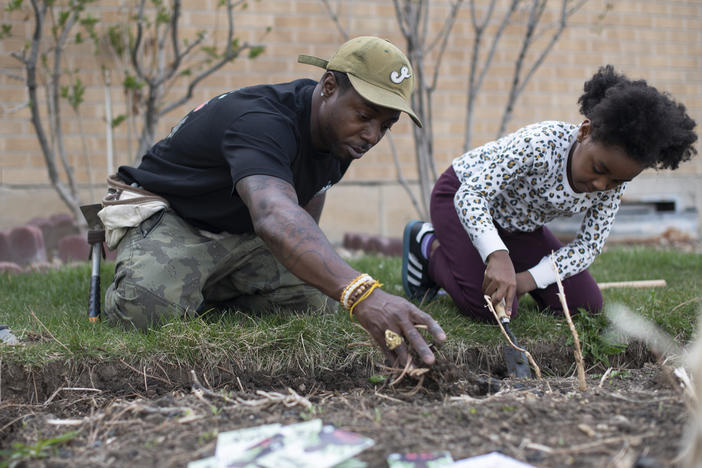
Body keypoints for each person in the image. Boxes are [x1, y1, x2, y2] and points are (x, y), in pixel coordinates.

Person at [103, 36, 446, 366]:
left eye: (386, 125)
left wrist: (324, 277)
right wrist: (362, 293)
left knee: (320, 300)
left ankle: (204, 287)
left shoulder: (338, 135)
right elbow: (273, 216)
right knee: (145, 313)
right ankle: (156, 278)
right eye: (365, 116)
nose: (373, 135)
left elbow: (302, 210)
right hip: (177, 215)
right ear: (329, 87)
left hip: (241, 229)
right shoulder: (261, 122)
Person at [402, 65, 697, 321]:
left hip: (518, 227)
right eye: (599, 168)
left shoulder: (611, 182)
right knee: (491, 308)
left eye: (616, 181)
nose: (601, 185)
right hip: (462, 198)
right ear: (584, 132)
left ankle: (491, 257)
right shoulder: (540, 144)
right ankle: (427, 245)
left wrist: (527, 279)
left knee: (585, 305)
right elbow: (472, 195)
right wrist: (497, 254)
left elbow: (587, 246)